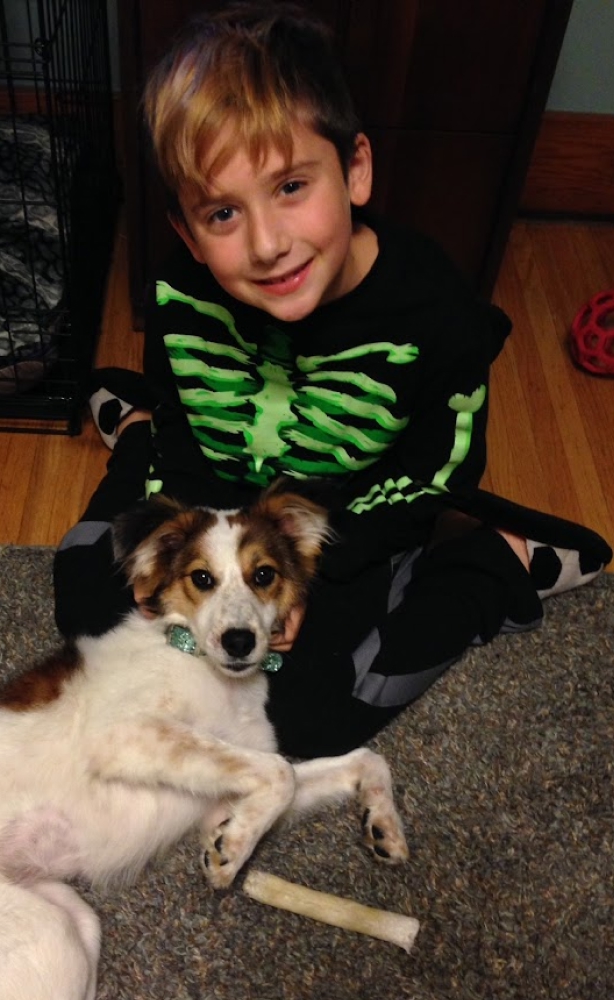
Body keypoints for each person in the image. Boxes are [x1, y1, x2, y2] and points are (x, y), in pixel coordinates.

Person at [54, 1, 611, 758]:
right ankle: (136, 430)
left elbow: (435, 476)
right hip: (212, 514)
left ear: (355, 170)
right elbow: (187, 434)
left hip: (349, 524)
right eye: (222, 213)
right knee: (88, 614)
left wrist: (300, 576)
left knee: (310, 720)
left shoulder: (440, 313)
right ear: (186, 231)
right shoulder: (180, 292)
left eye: (290, 187)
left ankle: (493, 563)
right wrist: (188, 568)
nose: (267, 244)